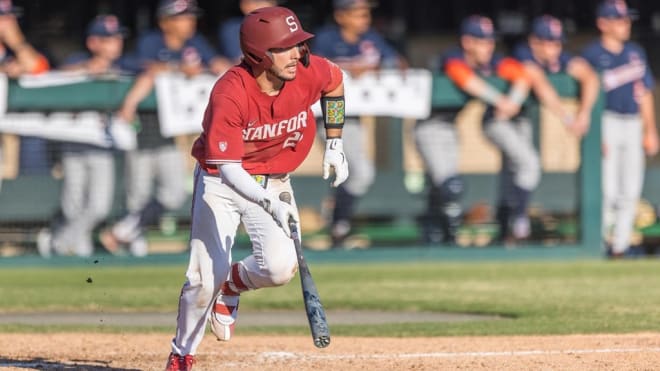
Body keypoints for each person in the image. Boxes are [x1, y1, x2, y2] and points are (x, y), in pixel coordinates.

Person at [165, 6, 347, 370]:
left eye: (299, 45)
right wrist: (267, 201)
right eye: (285, 48)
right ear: (259, 54)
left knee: (280, 269)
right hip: (222, 182)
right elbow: (229, 170)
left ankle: (232, 285)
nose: (297, 54)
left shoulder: (307, 70)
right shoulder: (230, 93)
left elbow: (335, 82)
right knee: (203, 278)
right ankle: (182, 353)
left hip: (275, 177)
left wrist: (335, 141)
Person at [99, 0, 232, 257]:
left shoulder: (196, 44)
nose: (189, 22)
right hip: (141, 131)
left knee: (173, 193)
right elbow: (139, 68)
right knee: (137, 195)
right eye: (182, 18)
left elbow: (217, 63)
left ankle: (125, 232)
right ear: (165, 21)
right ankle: (132, 241)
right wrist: (176, 68)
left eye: (190, 17)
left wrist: (211, 65)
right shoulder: (151, 41)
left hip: (169, 135)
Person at [418, 15, 533, 245]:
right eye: (482, 41)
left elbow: (522, 75)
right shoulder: (453, 57)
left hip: (450, 127)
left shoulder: (491, 62)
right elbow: (464, 79)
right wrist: (501, 100)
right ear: (468, 42)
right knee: (449, 186)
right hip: (429, 126)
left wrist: (514, 100)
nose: (488, 47)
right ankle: (442, 237)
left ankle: (437, 233)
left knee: (444, 188)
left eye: (490, 41)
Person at [311, 0, 407, 247]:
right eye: (357, 14)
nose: (364, 19)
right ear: (341, 15)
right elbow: (313, 68)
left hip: (354, 117)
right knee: (359, 172)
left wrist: (379, 66)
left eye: (365, 14)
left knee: (359, 173)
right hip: (328, 116)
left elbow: (399, 63)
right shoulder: (326, 37)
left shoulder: (372, 38)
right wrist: (351, 67)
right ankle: (338, 222)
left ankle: (337, 219)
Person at [37, 15, 132, 257]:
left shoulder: (124, 65)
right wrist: (86, 69)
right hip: (73, 143)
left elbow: (148, 73)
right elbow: (52, 77)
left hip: (103, 144)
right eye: (109, 39)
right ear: (93, 42)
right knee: (72, 204)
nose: (115, 43)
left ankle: (58, 240)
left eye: (117, 38)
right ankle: (77, 248)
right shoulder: (78, 60)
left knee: (99, 206)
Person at [581, 0, 659, 257]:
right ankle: (600, 243)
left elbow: (645, 93)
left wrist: (651, 130)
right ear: (603, 23)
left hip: (632, 122)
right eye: (619, 20)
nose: (625, 24)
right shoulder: (592, 54)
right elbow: (585, 92)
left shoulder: (635, 52)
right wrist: (595, 133)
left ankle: (620, 247)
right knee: (608, 189)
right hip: (607, 121)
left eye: (626, 20)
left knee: (630, 189)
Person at [513, 15, 599, 139]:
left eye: (558, 44)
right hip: (516, 119)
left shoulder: (559, 58)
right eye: (550, 43)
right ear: (534, 42)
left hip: (543, 128)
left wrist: (584, 114)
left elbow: (590, 77)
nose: (555, 49)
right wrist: (568, 119)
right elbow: (538, 80)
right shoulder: (522, 53)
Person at [0, 0, 50, 191]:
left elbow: (38, 68)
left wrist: (17, 41)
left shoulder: (17, 49)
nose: (8, 22)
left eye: (10, 17)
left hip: (11, 127)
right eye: (3, 17)